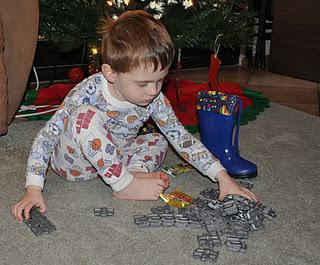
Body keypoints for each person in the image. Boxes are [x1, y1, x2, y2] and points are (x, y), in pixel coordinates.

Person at [12, 10, 258, 222]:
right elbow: (47, 136)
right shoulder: (87, 91)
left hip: (116, 153)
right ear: (110, 73)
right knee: (84, 117)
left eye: (160, 80)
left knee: (159, 139)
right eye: (143, 84)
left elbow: (182, 139)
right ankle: (124, 184)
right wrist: (33, 188)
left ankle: (135, 172)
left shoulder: (154, 98)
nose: (153, 91)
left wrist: (222, 176)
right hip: (74, 164)